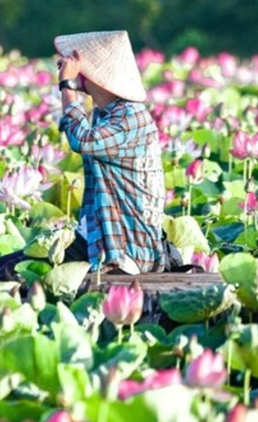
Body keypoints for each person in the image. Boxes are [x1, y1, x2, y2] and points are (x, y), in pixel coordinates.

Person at [55, 30, 167, 275]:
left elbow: (82, 140)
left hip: (126, 249)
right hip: (101, 236)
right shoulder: (106, 114)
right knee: (8, 266)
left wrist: (67, 85)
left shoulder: (130, 116)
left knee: (14, 273)